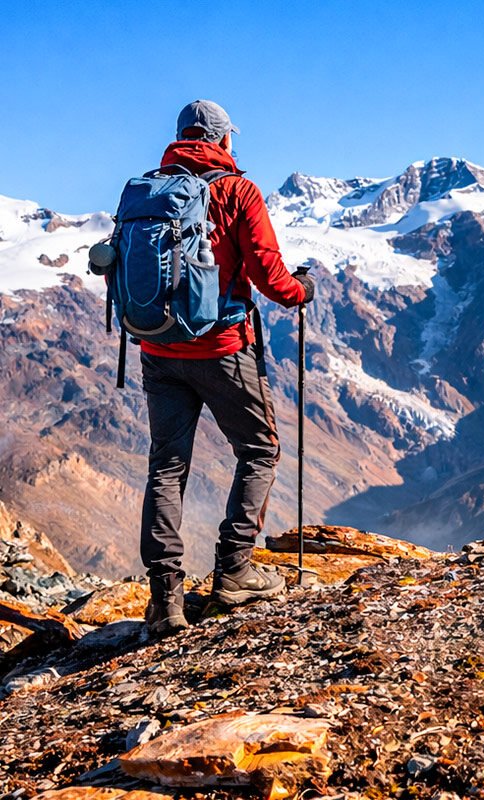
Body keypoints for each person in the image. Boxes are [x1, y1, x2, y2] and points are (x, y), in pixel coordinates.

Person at [139, 99, 314, 636]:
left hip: (158, 350)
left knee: (167, 465)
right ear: (223, 141)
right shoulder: (237, 191)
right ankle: (234, 569)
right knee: (260, 448)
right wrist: (300, 290)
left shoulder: (146, 191)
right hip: (221, 348)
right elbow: (267, 273)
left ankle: (165, 599)